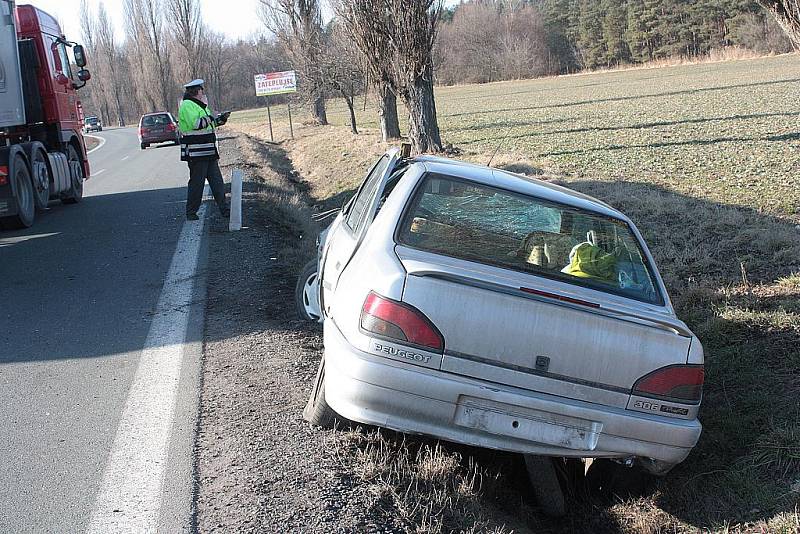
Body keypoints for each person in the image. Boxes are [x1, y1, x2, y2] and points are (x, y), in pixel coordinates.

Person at [178, 79, 231, 220]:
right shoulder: (187, 106)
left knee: (217, 182)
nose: (203, 92)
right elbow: (197, 124)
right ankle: (191, 212)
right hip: (196, 153)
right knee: (197, 184)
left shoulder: (200, 106)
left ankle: (225, 210)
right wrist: (211, 116)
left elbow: (209, 124)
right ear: (196, 91)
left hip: (208, 151)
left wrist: (221, 120)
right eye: (201, 90)